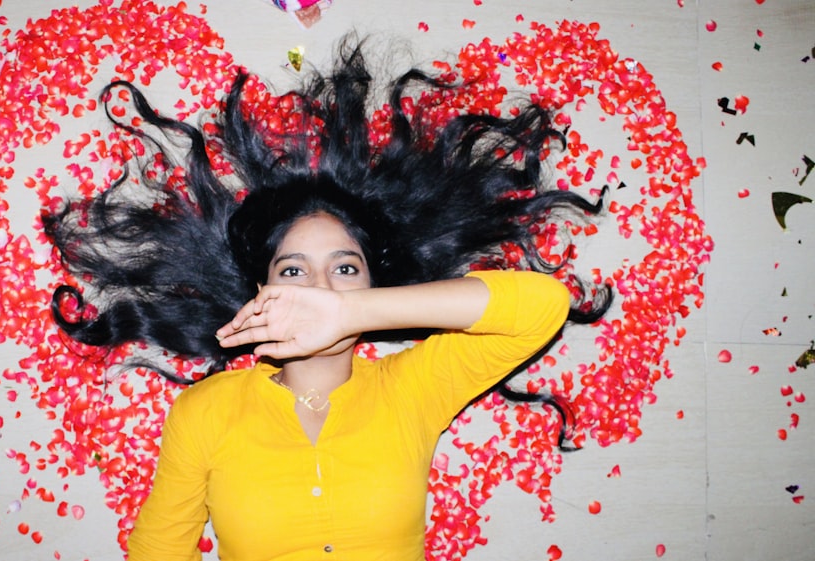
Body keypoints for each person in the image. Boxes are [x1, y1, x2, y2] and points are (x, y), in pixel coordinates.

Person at [43, 38, 610, 561]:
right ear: (263, 290)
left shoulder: (412, 388)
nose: (319, 286)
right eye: (295, 269)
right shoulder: (207, 412)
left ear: (370, 286)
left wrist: (349, 312)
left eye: (345, 269)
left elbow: (540, 305)